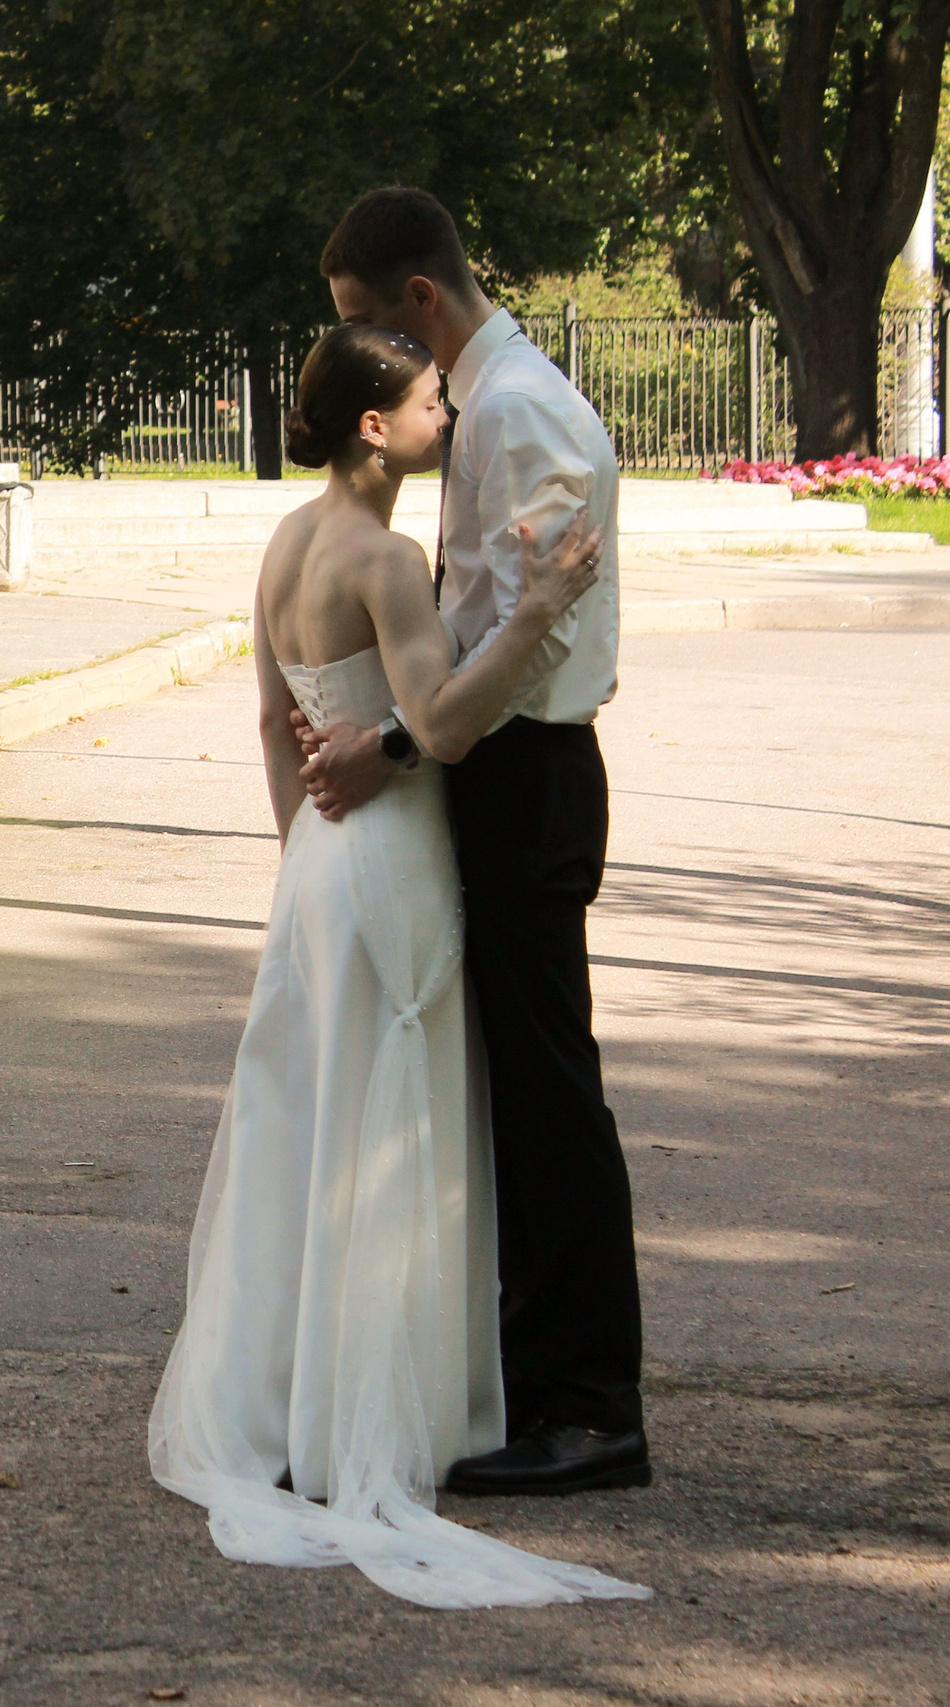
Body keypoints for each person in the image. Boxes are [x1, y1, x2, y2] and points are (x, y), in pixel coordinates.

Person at [145, 321, 647, 1609]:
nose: (449, 416)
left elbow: (276, 720)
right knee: (394, 1126)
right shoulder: (383, 558)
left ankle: (285, 1404)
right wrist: (538, 610)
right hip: (393, 861)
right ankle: (384, 1412)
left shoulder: (284, 540)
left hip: (318, 862)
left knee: (313, 1126)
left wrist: (298, 856)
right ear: (377, 427)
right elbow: (443, 725)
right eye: (431, 401)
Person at [305, 188, 647, 1497]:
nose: (368, 349)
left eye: (368, 320)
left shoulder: (516, 411)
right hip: (494, 770)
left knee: (550, 1095)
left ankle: (590, 1411)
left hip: (528, 775)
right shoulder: (490, 401)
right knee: (515, 1090)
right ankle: (530, 1379)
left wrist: (396, 744)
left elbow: (532, 630)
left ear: (420, 298)